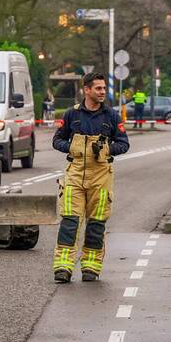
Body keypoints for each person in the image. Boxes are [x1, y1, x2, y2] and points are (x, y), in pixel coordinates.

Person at [52, 72, 130, 283]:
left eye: (104, 88)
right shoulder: (72, 114)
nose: (102, 92)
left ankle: (90, 267)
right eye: (98, 88)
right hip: (75, 174)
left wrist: (107, 150)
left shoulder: (111, 116)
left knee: (96, 224)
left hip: (101, 176)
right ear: (86, 90)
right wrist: (72, 147)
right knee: (69, 221)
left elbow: (124, 143)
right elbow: (57, 140)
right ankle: (63, 267)